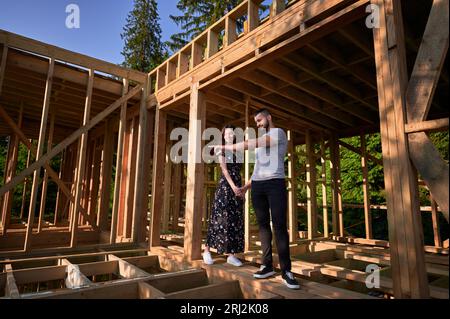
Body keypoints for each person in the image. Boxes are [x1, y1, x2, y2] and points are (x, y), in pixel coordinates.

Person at [217, 109, 300, 289]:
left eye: (260, 120)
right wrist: (245, 188)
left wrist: (226, 147)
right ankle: (267, 266)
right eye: (256, 122)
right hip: (258, 186)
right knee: (263, 226)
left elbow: (251, 143)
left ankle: (286, 271)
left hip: (275, 183)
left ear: (269, 117)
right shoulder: (262, 144)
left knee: (278, 226)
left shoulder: (277, 133)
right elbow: (257, 169)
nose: (258, 124)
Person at [203, 125, 245, 267]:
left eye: (232, 134)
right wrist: (233, 187)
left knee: (235, 219)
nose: (230, 136)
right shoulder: (220, 149)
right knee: (219, 218)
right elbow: (224, 170)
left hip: (237, 187)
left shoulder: (238, 151)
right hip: (226, 187)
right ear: (223, 135)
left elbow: (239, 172)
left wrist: (241, 189)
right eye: (227, 134)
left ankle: (231, 255)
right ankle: (207, 250)